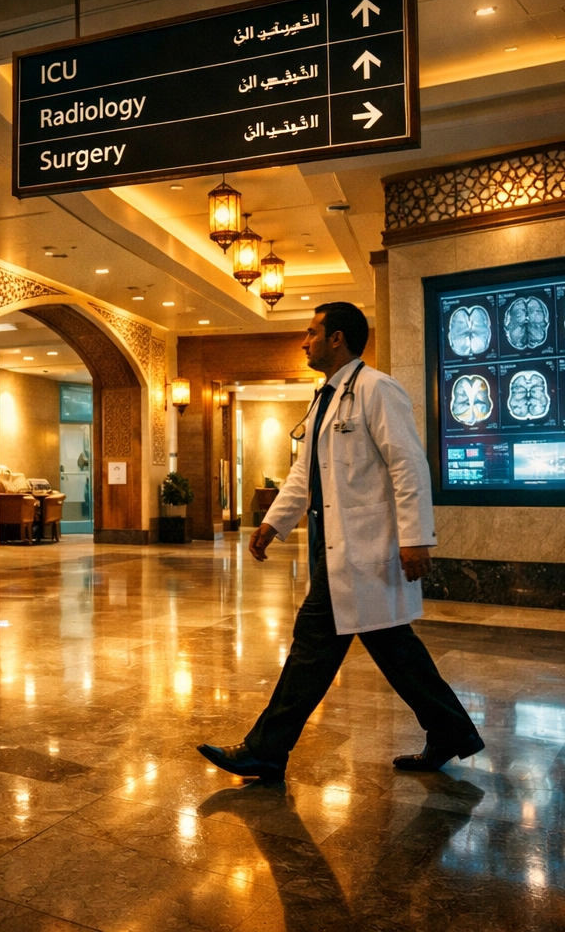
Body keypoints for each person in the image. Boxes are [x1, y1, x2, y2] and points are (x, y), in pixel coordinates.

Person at [198, 302, 482, 781]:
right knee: (395, 650)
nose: (304, 342)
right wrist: (273, 522)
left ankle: (266, 749)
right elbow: (303, 474)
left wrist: (416, 537)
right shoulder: (324, 398)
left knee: (315, 649)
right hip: (336, 551)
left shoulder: (377, 389)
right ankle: (451, 730)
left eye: (311, 333)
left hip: (365, 549)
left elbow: (408, 464)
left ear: (337, 338)